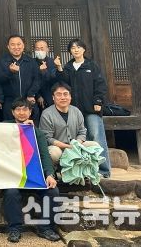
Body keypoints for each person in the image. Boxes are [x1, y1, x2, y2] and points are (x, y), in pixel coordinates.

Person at [2, 98, 61, 243]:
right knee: (11, 193)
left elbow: (44, 155)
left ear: (30, 112)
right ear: (12, 112)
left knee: (52, 191)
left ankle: (45, 228)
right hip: (14, 175)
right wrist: (19, 128)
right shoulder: (5, 127)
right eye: (18, 109)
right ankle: (15, 229)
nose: (21, 112)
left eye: (25, 109)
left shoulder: (37, 132)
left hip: (34, 176)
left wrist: (49, 175)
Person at [54, 39, 111, 178]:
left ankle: (103, 170)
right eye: (73, 48)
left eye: (78, 47)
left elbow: (100, 85)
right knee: (77, 139)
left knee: (96, 136)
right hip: (74, 109)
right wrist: (59, 68)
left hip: (91, 108)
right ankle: (83, 169)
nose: (76, 50)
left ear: (84, 49)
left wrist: (98, 101)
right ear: (70, 51)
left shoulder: (91, 65)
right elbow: (63, 84)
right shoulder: (68, 67)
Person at [39, 82, 101, 170]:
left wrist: (77, 144)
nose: (63, 97)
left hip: (76, 146)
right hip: (58, 148)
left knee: (95, 146)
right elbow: (47, 138)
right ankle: (58, 170)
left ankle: (85, 171)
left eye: (65, 94)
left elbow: (82, 132)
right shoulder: (47, 114)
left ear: (70, 96)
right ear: (53, 97)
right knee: (53, 153)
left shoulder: (76, 111)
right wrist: (67, 146)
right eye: (59, 94)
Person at [0, 35, 40, 121]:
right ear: (8, 47)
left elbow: (37, 80)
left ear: (23, 45)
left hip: (28, 99)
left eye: (19, 44)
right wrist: (10, 72)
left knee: (31, 125)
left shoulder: (31, 61)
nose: (16, 47)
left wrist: (31, 94)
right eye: (12, 44)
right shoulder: (2, 61)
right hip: (10, 101)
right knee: (9, 126)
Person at [34, 39, 58, 110]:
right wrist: (38, 96)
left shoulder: (53, 62)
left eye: (42, 48)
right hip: (35, 96)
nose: (39, 51)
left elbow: (55, 80)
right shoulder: (31, 63)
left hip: (50, 96)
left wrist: (45, 72)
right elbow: (29, 81)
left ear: (47, 49)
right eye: (37, 49)